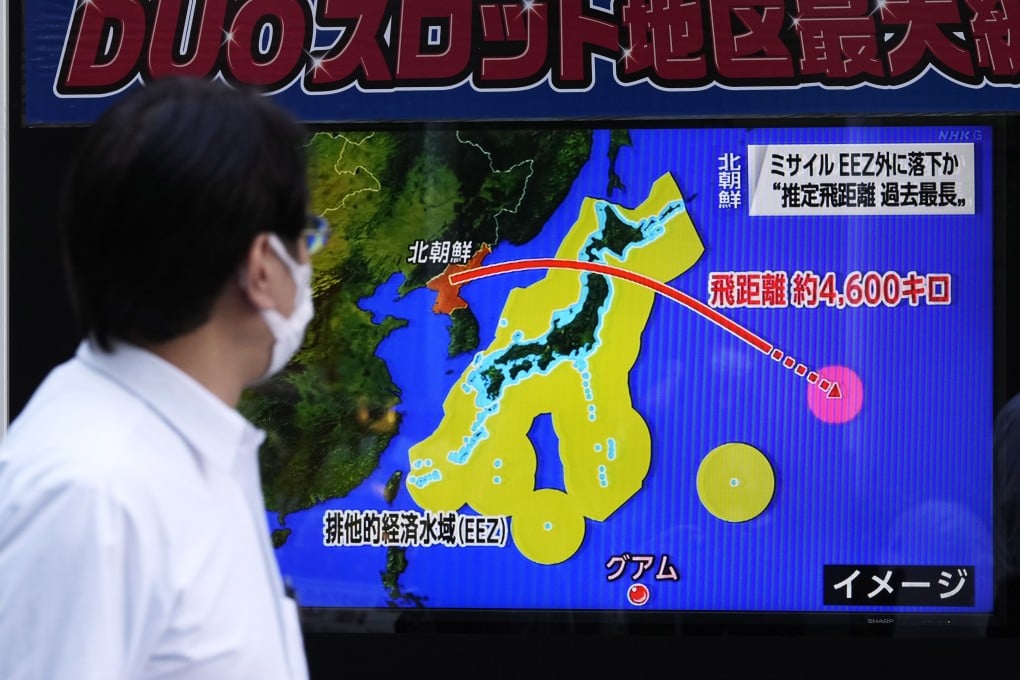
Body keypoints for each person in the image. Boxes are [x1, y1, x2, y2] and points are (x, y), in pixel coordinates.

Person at [0, 76, 329, 679]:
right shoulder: (93, 493)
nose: (309, 260)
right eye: (306, 236)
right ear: (261, 266)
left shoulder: (189, 450)